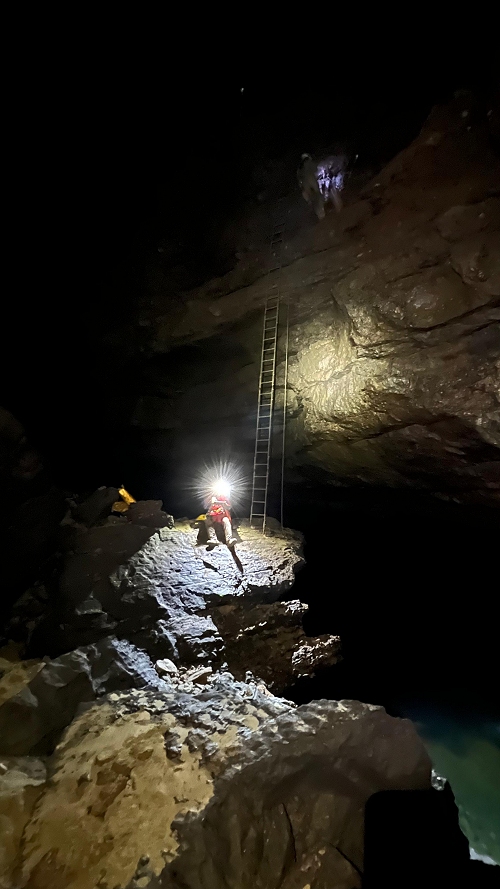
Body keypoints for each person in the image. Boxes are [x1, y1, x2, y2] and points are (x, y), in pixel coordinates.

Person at [205, 482, 237, 549]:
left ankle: (229, 540)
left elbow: (229, 507)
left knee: (226, 522)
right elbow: (211, 504)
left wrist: (225, 504)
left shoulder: (225, 498)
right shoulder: (211, 497)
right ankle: (213, 539)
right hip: (213, 516)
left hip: (223, 516)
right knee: (208, 522)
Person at [297, 153, 325, 219]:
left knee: (312, 198)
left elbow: (299, 178)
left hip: (305, 184)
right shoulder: (309, 162)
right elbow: (316, 169)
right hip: (311, 180)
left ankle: (318, 214)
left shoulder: (300, 167)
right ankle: (322, 211)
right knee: (318, 194)